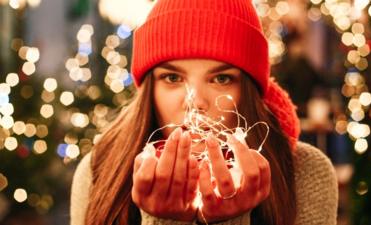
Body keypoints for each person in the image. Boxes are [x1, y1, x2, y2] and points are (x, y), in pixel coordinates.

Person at [70, 0, 338, 224]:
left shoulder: (304, 172)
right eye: (173, 78)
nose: (195, 103)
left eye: (221, 79)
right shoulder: (99, 171)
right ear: (149, 89)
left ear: (249, 91)